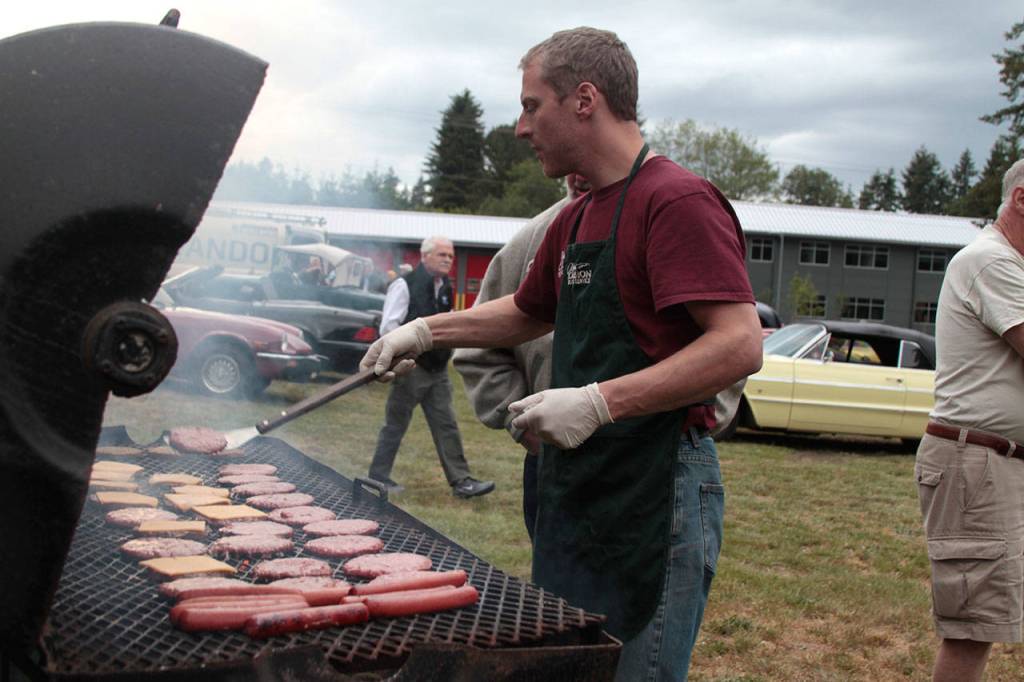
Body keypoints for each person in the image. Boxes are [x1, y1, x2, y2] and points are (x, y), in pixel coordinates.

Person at [360, 28, 761, 681]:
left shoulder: (675, 199)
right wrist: (428, 331)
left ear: (584, 99)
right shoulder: (577, 216)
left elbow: (739, 343)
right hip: (580, 484)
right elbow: (525, 310)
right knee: (569, 666)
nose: (521, 128)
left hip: (656, 483)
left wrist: (602, 401)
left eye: (531, 105)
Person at [915, 159, 1024, 682]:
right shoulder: (990, 262)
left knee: (990, 618)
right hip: (978, 464)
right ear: (1021, 200)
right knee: (973, 627)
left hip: (996, 462)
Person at [453, 174, 588, 539]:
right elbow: (476, 348)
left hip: (650, 472)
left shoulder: (667, 211)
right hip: (551, 465)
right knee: (555, 593)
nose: (576, 175)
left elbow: (727, 339)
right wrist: (521, 422)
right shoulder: (534, 238)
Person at [367, 236, 495, 499]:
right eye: (442, 255)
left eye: (450, 255)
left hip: (437, 369)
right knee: (395, 425)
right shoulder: (404, 284)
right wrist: (405, 357)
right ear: (424, 257)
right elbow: (388, 327)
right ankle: (377, 477)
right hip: (411, 368)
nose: (448, 259)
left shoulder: (445, 286)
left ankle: (462, 481)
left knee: (446, 424)